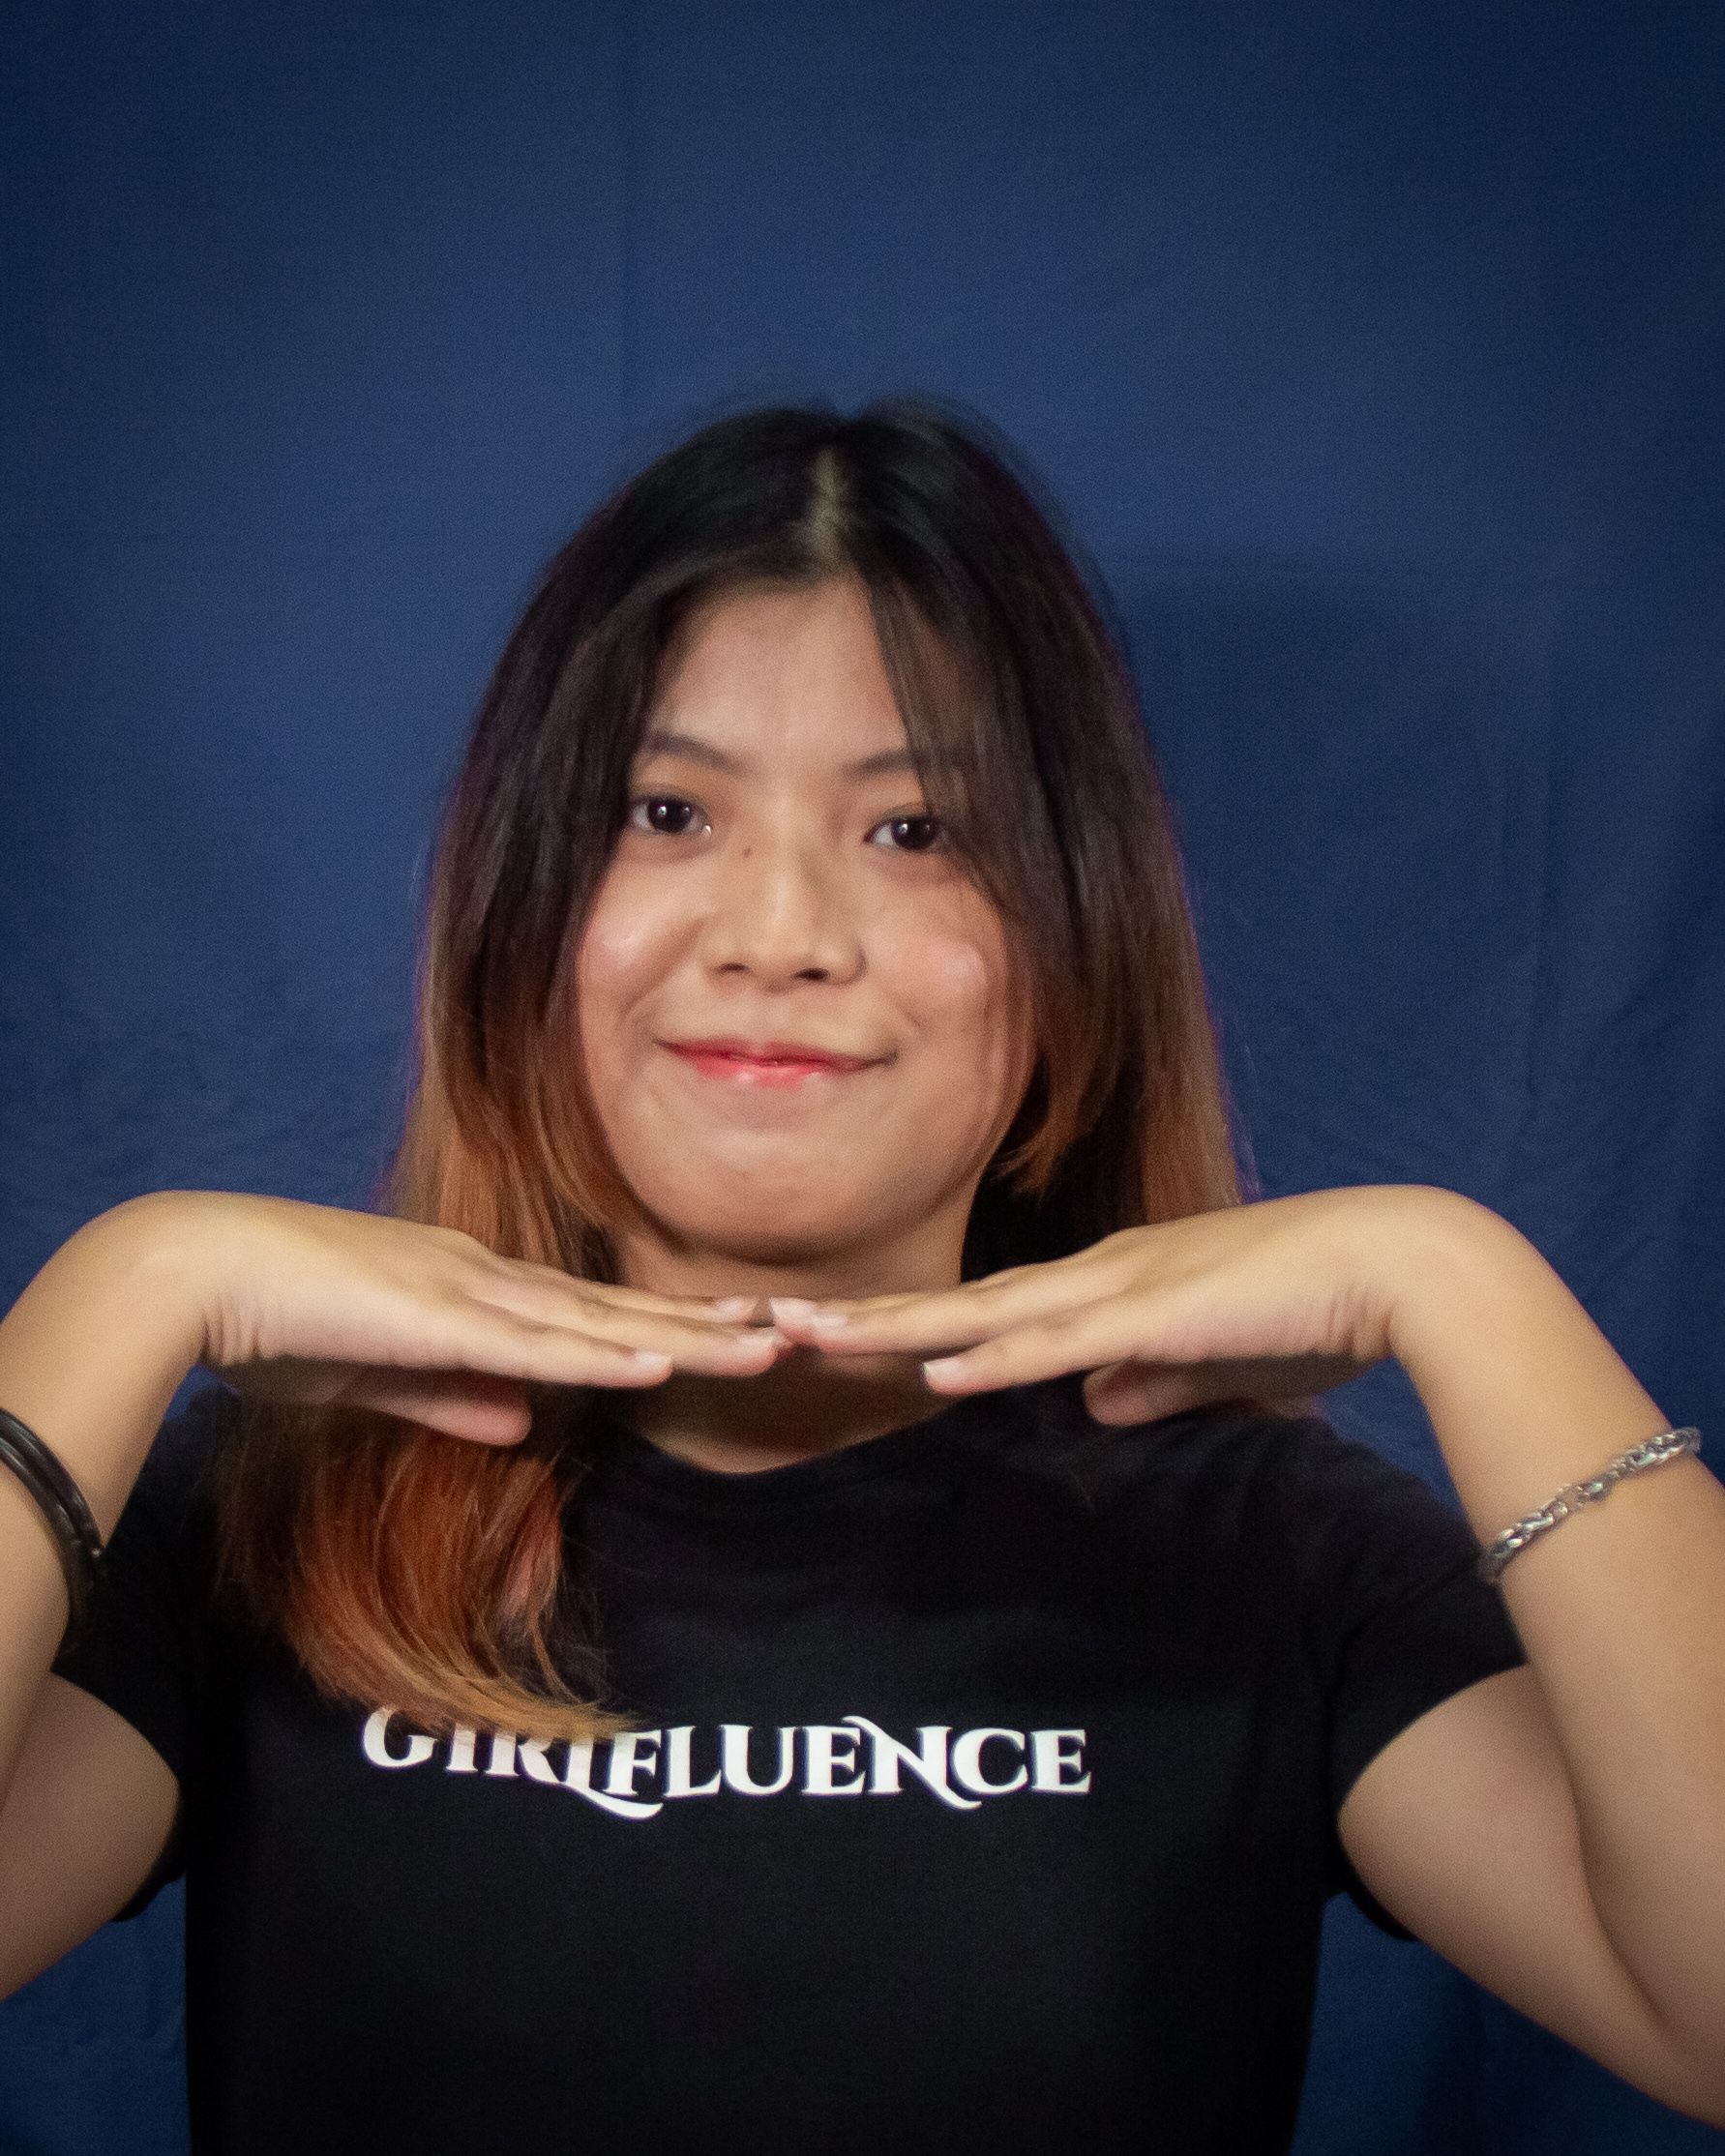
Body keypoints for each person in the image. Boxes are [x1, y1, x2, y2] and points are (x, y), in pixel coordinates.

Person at [0, 400, 1721, 2156]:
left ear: (1074, 941)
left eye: (916, 830)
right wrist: (129, 1284)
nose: (781, 934)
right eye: (667, 811)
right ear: (523, 916)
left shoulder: (1268, 1544)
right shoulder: (264, 1520)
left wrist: (1461, 1277)